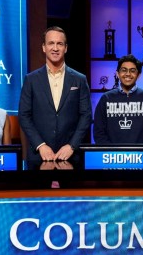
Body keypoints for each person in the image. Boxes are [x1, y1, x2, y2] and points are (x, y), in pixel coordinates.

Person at [18, 26, 92, 166]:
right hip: (39, 156)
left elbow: (86, 116)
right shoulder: (31, 80)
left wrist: (71, 146)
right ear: (44, 47)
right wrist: (41, 145)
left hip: (70, 156)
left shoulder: (79, 79)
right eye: (51, 43)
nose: (55, 48)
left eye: (60, 44)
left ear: (66, 48)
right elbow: (24, 115)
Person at [93, 54, 143, 144]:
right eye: (124, 70)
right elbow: (99, 133)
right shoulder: (106, 98)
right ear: (118, 74)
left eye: (132, 71)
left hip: (142, 156)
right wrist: (112, 152)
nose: (128, 74)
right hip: (113, 156)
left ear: (138, 75)